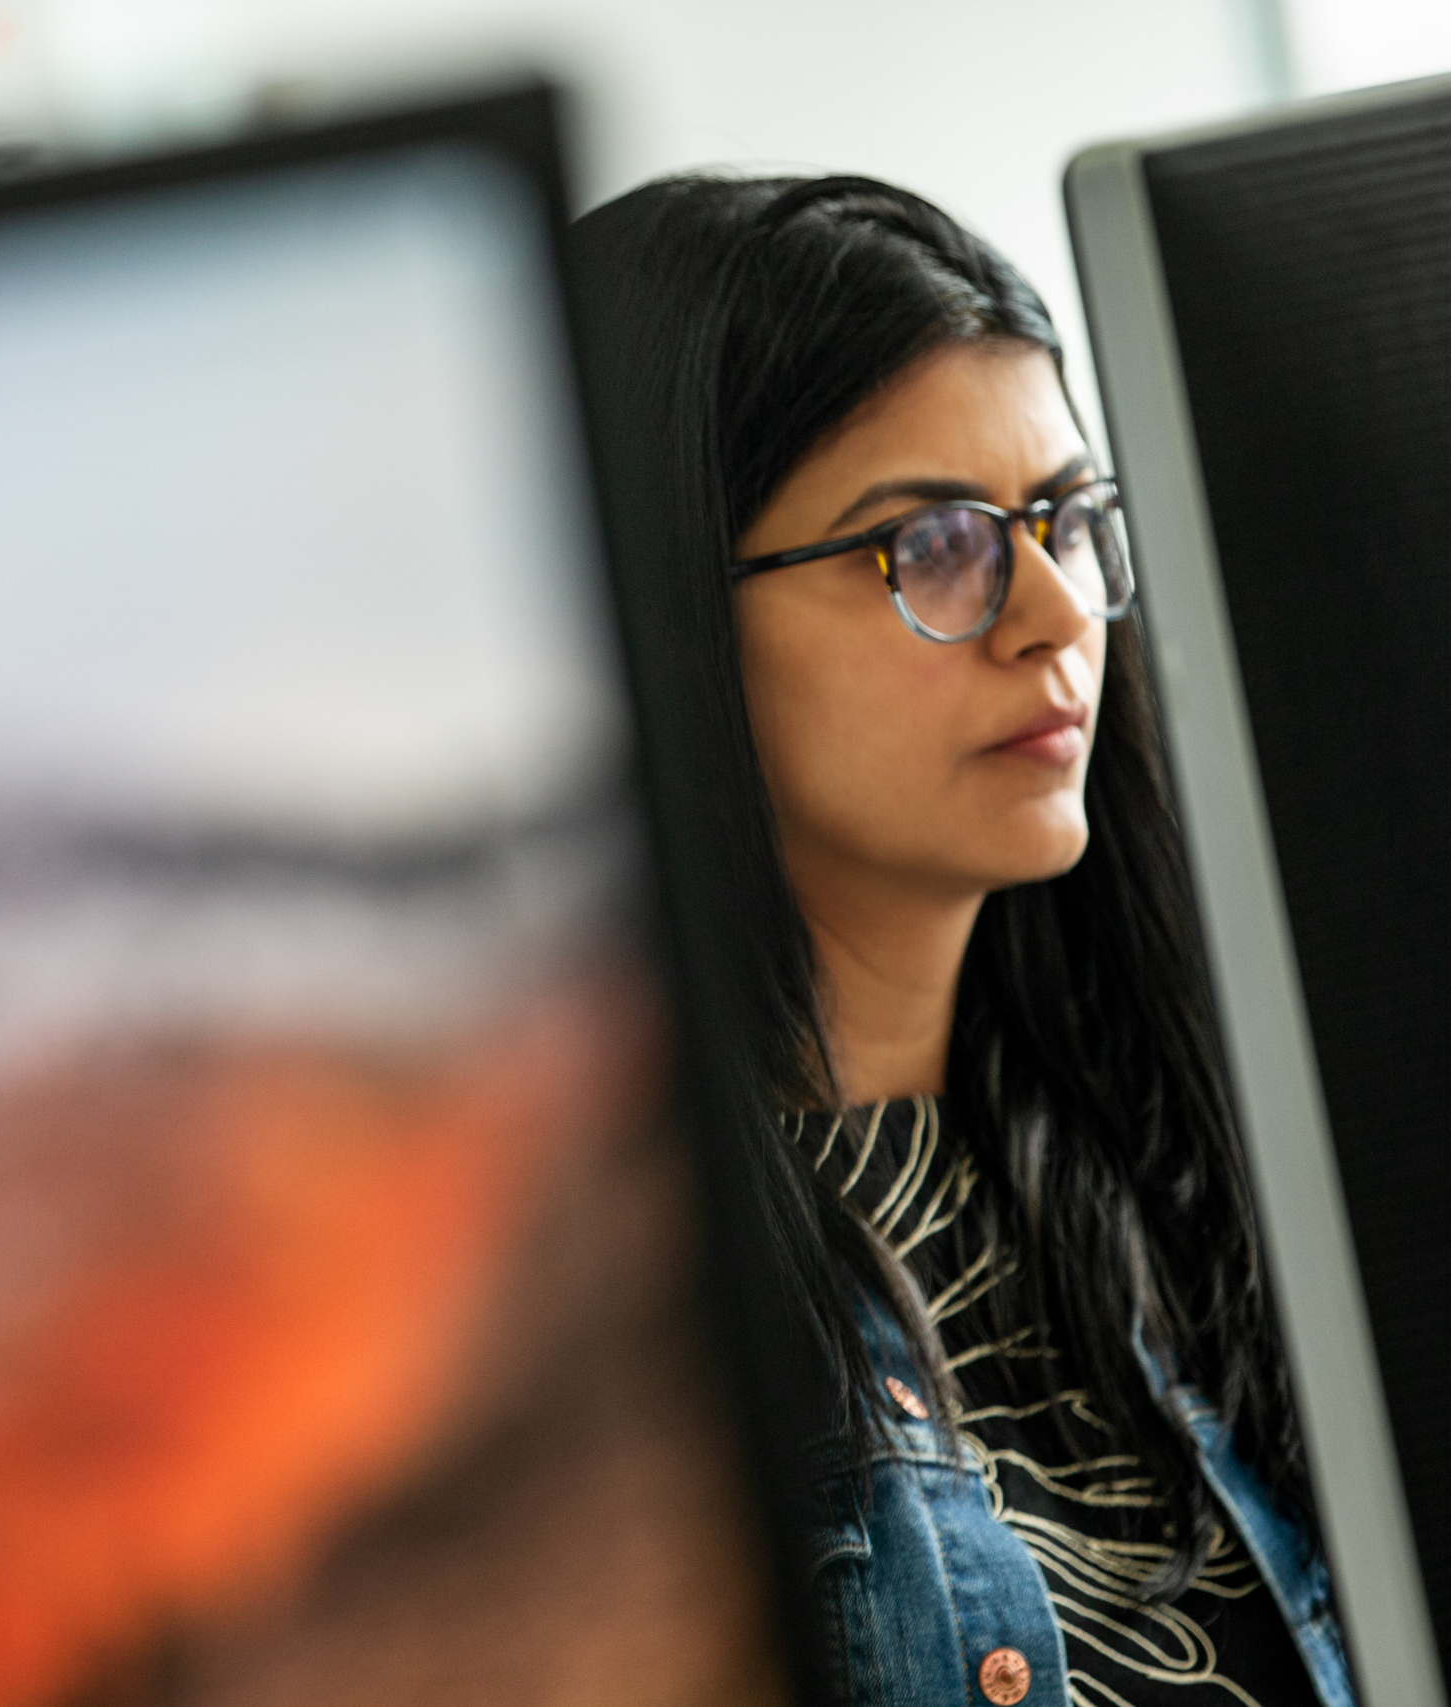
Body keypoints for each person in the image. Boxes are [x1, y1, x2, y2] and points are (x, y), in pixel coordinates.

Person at [563, 176, 1354, 1707]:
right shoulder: (590, 1323)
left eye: (1067, 521)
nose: (1055, 612)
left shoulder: (1201, 1158)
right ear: (656, 618)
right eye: (932, 545)